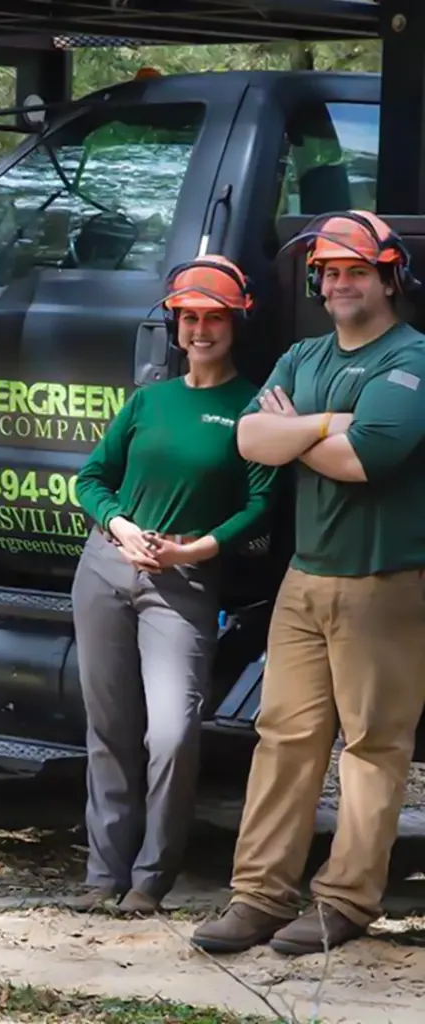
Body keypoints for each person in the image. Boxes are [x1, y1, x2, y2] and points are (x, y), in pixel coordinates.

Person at [190, 210, 425, 957]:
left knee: (371, 748)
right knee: (283, 737)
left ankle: (345, 901)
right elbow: (252, 437)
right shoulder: (301, 354)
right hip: (305, 579)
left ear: (389, 276)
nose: (339, 284)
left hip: (382, 581)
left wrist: (305, 433)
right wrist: (332, 424)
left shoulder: (412, 359)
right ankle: (259, 897)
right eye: (328, 271)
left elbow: (369, 460)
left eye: (356, 270)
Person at [71, 255, 278, 915]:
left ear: (234, 322)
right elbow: (90, 479)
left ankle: (150, 878)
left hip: (184, 580)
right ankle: (103, 876)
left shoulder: (251, 408)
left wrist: (198, 547)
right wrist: (121, 526)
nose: (200, 329)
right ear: (176, 325)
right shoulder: (149, 399)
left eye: (213, 317)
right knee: (109, 728)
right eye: (189, 317)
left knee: (171, 733)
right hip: (107, 566)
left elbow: (262, 502)